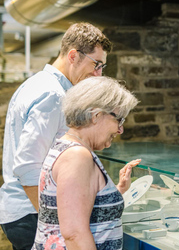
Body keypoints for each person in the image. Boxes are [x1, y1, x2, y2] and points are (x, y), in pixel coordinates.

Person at [0, 22, 113, 250]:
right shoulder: (52, 95)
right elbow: (28, 167)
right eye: (97, 64)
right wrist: (51, 222)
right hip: (32, 214)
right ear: (73, 55)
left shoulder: (40, 85)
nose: (99, 73)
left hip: (24, 212)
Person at [32, 76, 140, 250]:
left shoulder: (67, 146)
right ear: (96, 115)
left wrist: (117, 190)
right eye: (119, 119)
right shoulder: (77, 156)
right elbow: (74, 234)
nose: (120, 129)